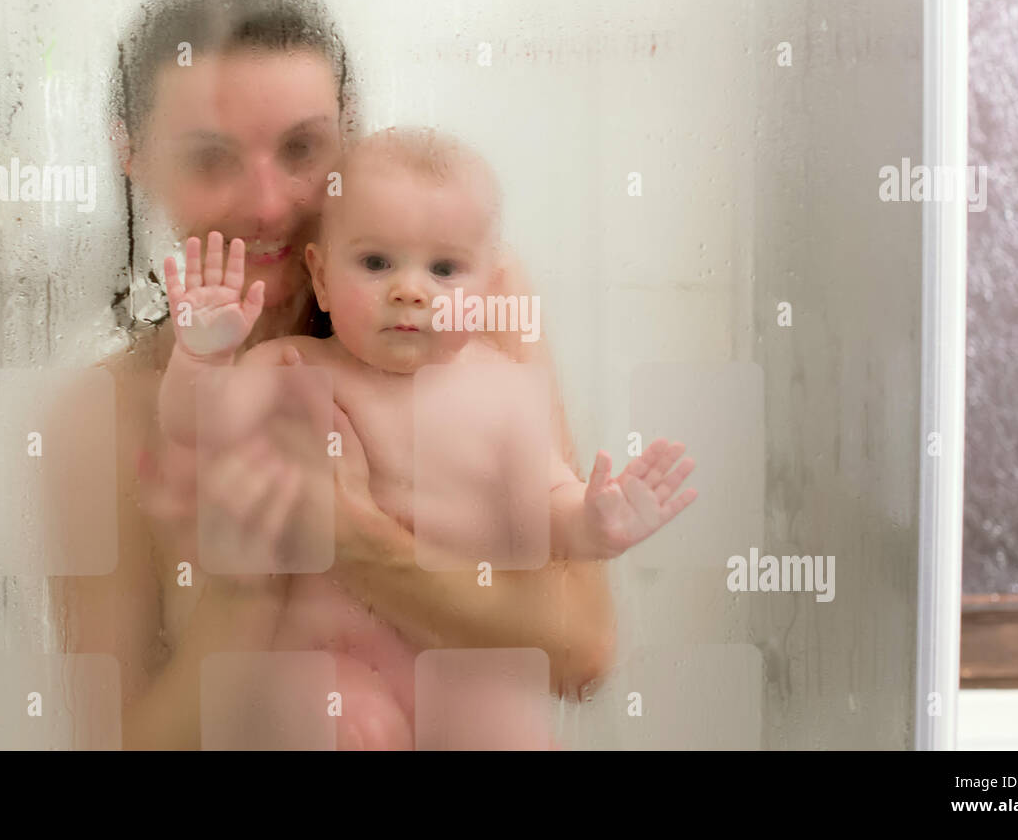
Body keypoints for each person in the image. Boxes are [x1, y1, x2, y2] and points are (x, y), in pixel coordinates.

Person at [48, 0, 616, 750]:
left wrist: (352, 536)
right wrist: (248, 596)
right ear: (133, 156)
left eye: (303, 149)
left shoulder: (466, 313)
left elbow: (580, 650)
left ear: (349, 133)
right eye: (212, 159)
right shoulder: (108, 413)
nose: (271, 203)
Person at [156, 126, 699, 748]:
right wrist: (203, 359)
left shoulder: (503, 391)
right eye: (376, 262)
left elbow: (547, 504)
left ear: (487, 289)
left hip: (460, 655)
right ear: (323, 277)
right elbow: (200, 429)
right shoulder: (295, 367)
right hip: (334, 660)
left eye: (444, 269)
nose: (409, 289)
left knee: (511, 726)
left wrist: (597, 521)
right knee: (347, 725)